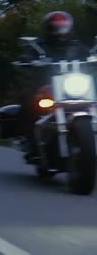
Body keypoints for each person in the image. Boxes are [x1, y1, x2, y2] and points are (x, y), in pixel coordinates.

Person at [16, 11, 90, 161]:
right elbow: (27, 56)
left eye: (63, 26)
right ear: (49, 27)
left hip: (73, 87)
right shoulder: (39, 45)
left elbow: (88, 55)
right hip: (46, 86)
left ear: (69, 27)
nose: (60, 30)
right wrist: (28, 60)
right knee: (28, 100)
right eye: (56, 27)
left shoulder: (77, 45)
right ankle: (31, 142)